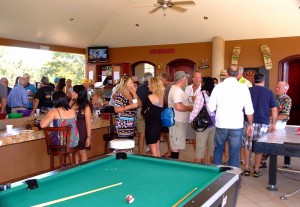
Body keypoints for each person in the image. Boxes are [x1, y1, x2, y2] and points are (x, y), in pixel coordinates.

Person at [207, 65, 254, 167]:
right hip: (236, 124)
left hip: (221, 123)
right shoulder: (243, 88)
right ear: (238, 75)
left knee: (218, 149)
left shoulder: (218, 87)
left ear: (227, 74)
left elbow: (210, 107)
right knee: (235, 152)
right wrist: (250, 125)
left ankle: (215, 175)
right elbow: (249, 110)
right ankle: (233, 178)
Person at [241, 74, 277, 177]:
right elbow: (274, 110)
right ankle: (256, 170)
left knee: (247, 145)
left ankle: (247, 168)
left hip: (248, 121)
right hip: (263, 122)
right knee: (259, 146)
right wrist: (273, 124)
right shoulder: (269, 92)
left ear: (253, 81)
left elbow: (242, 107)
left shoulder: (248, 91)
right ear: (263, 81)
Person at [40, 91, 79, 162]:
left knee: (55, 138)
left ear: (55, 100)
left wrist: (42, 120)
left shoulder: (54, 111)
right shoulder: (72, 110)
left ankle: (62, 165)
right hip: (74, 141)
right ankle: (75, 167)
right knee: (70, 149)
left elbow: (43, 125)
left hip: (61, 143)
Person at [260, 81, 292, 168]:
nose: (276, 89)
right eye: (276, 87)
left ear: (285, 90)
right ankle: (262, 160)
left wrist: (271, 118)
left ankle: (263, 160)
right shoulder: (274, 97)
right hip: (270, 121)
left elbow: (285, 115)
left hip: (279, 124)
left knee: (271, 142)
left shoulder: (286, 99)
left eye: (279, 88)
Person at [189, 77, 216, 163]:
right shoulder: (215, 94)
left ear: (204, 83)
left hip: (203, 123)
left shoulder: (201, 94)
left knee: (200, 148)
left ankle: (199, 170)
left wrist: (191, 120)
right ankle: (213, 170)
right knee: (212, 149)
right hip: (214, 123)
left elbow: (196, 109)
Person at [168, 71, 193, 159]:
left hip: (179, 121)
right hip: (177, 121)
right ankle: (174, 165)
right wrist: (190, 108)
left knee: (177, 144)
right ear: (182, 79)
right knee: (176, 145)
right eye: (186, 78)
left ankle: (175, 163)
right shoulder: (177, 90)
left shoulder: (177, 89)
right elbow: (178, 107)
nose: (186, 80)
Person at [142, 77, 164, 157]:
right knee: (157, 149)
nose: (148, 86)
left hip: (151, 126)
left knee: (153, 151)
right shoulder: (161, 97)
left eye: (149, 84)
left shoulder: (150, 97)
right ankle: (160, 166)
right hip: (158, 125)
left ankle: (157, 168)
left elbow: (143, 112)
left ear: (154, 85)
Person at [70, 85, 92, 163]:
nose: (72, 93)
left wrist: (88, 137)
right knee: (73, 152)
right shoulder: (72, 103)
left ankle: (84, 171)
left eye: (73, 91)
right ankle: (75, 170)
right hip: (72, 132)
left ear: (78, 94)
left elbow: (88, 123)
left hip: (81, 132)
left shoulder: (86, 107)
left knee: (81, 152)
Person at [136, 72, 153, 154]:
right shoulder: (153, 88)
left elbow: (136, 100)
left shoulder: (139, 88)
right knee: (150, 131)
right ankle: (149, 150)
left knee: (141, 133)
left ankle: (140, 152)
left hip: (140, 110)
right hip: (150, 111)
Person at [185, 71, 202, 150]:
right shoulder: (188, 88)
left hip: (200, 116)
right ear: (192, 79)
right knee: (193, 138)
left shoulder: (203, 88)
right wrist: (191, 98)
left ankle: (202, 158)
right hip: (190, 115)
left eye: (199, 77)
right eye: (196, 77)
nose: (197, 79)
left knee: (201, 138)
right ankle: (197, 156)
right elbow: (184, 100)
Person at [158, 73, 173, 157]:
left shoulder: (169, 87)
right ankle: (169, 150)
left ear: (165, 79)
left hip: (169, 113)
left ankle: (170, 151)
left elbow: (167, 101)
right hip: (168, 112)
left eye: (160, 79)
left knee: (169, 134)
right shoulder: (166, 87)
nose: (159, 81)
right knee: (168, 134)